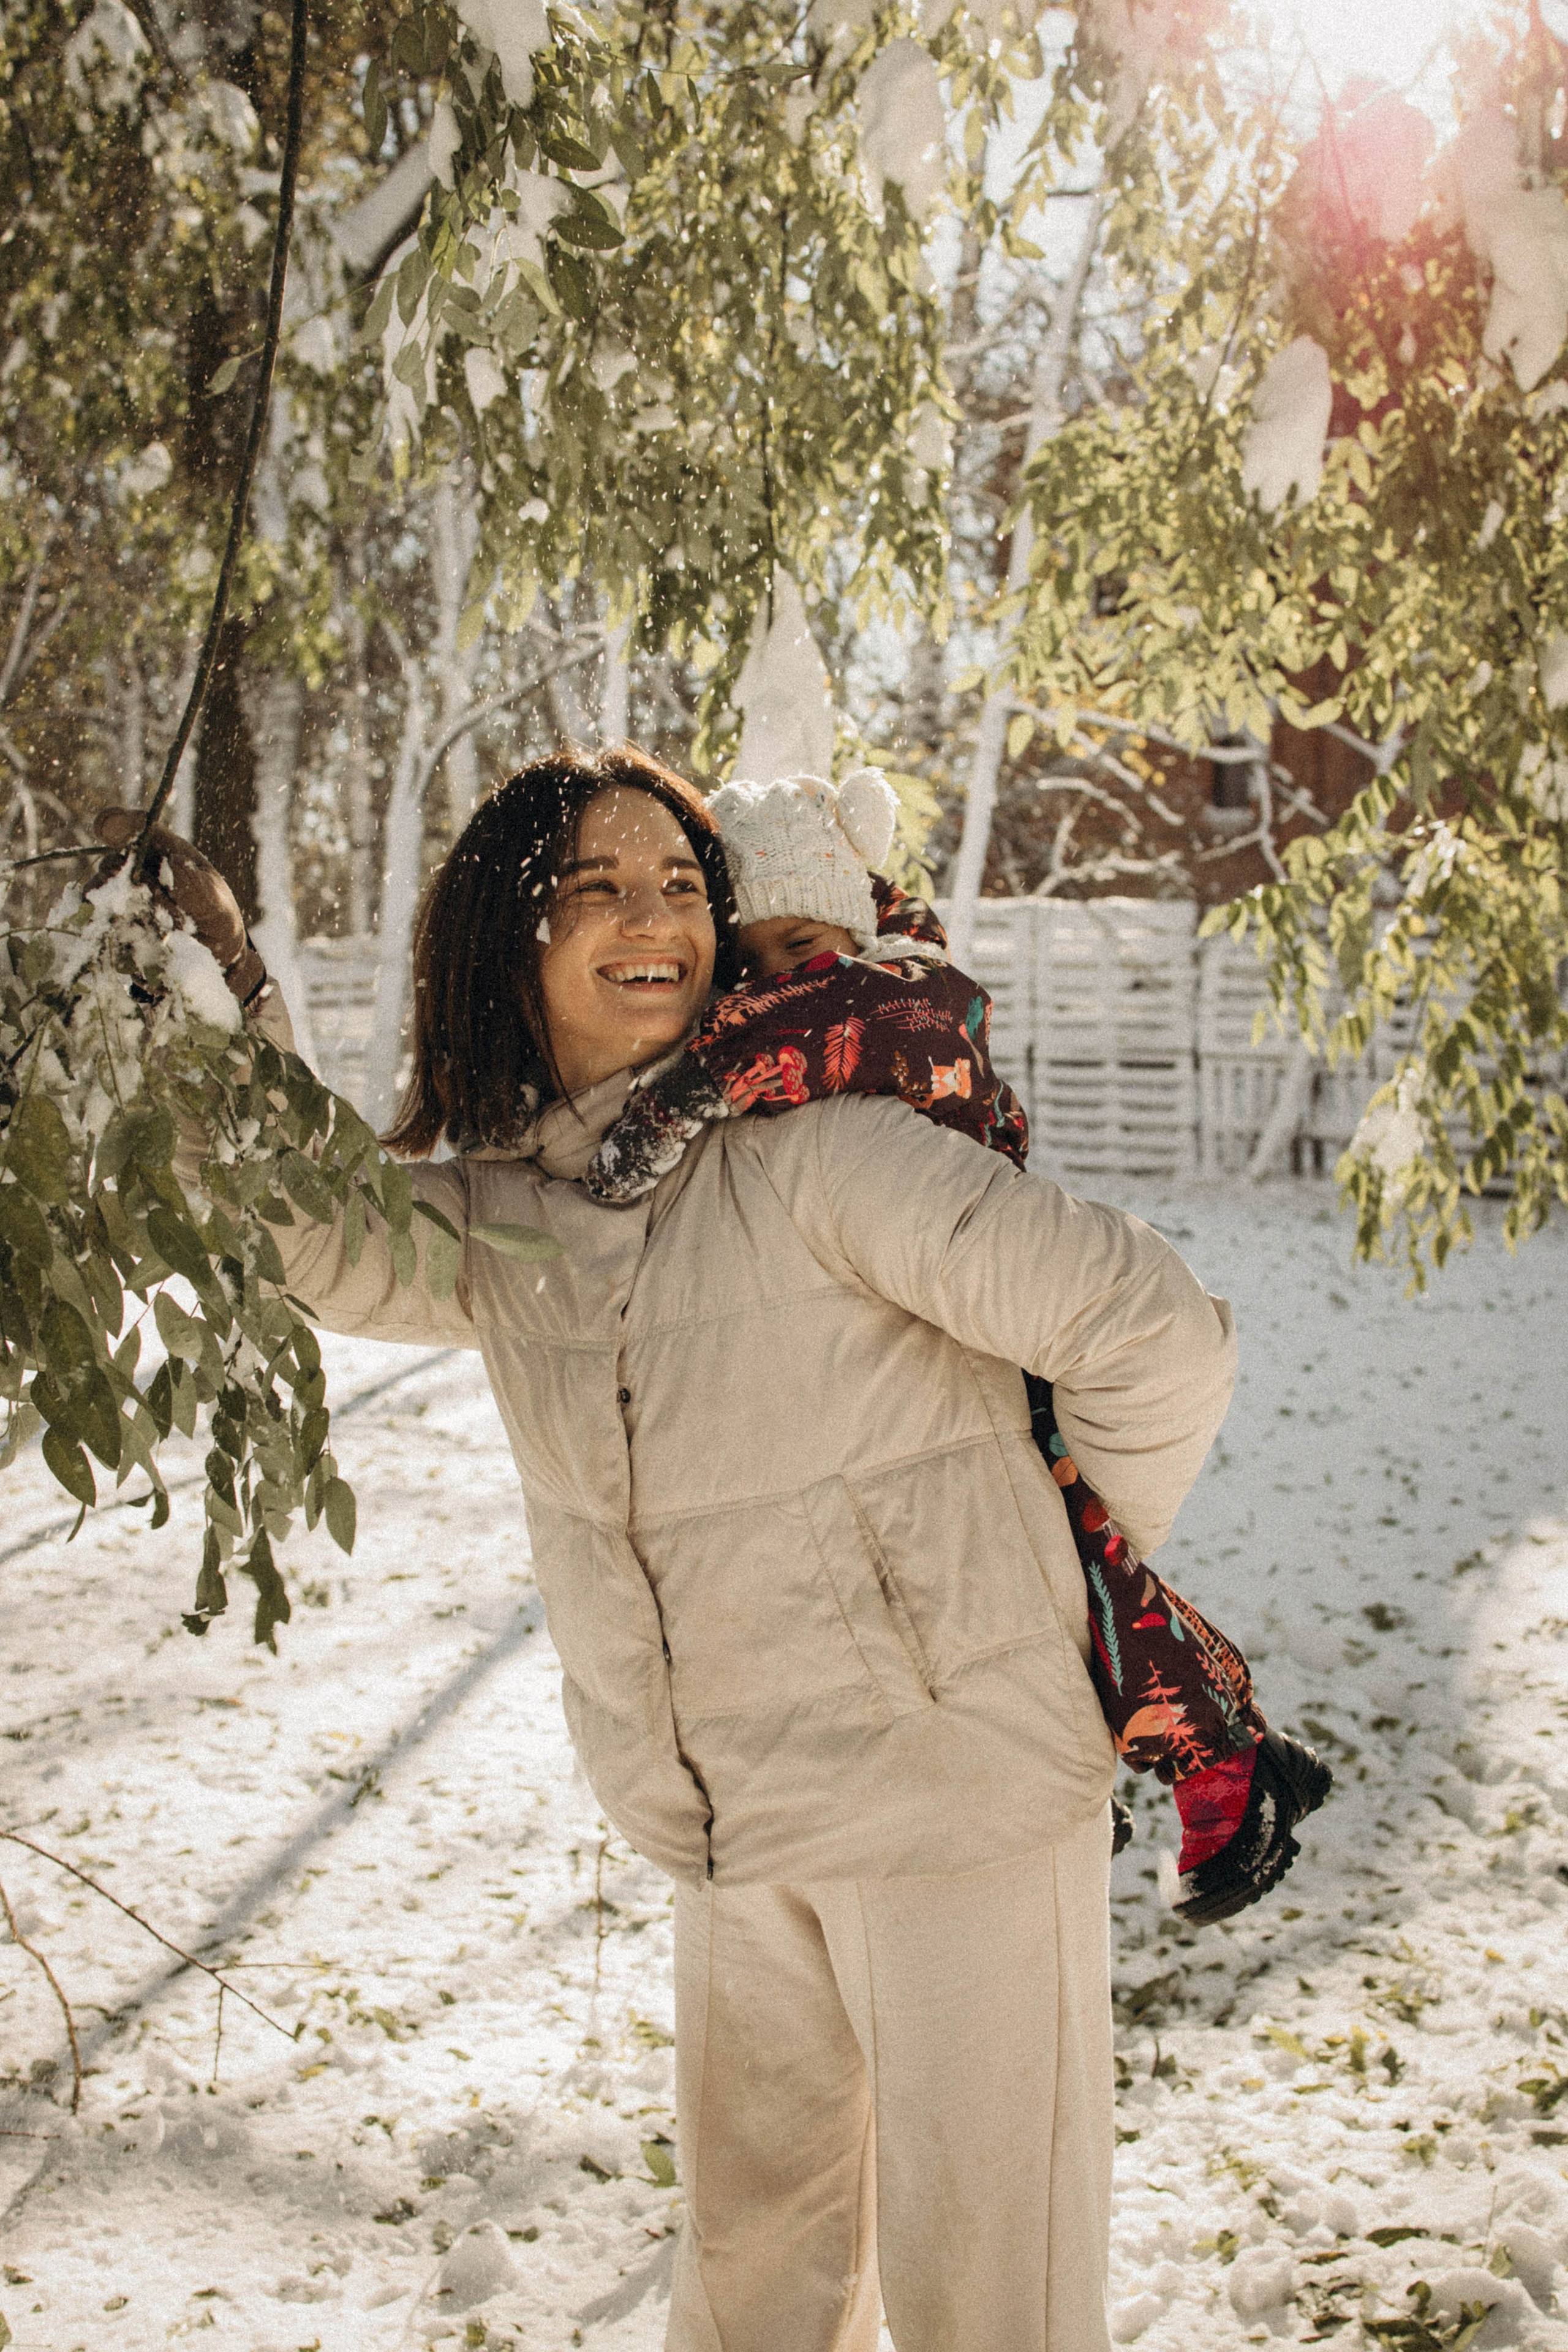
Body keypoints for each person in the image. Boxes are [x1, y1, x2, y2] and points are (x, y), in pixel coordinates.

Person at [98, 749, 1240, 2352]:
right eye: (597, 887)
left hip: (956, 1800)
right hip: (733, 1823)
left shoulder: (825, 1154)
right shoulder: (514, 1222)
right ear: (514, 940)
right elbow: (304, 1221)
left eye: (683, 886)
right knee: (756, 2280)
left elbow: (1159, 1338)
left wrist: (1046, 1605)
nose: (654, 920)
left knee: (992, 2297)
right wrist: (219, 985)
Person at [582, 769, 1333, 1926]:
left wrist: (677, 1099)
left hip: (992, 1323)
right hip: (932, 1333)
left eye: (803, 940)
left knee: (1085, 1570)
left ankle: (1225, 1763)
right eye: (758, 953)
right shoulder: (849, 987)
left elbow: (800, 1037)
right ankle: (1183, 1763)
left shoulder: (899, 998)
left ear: (851, 926)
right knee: (1076, 1572)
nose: (783, 970)